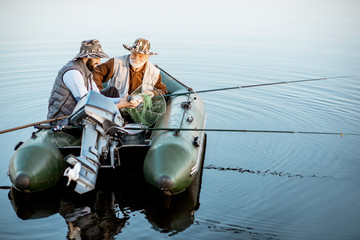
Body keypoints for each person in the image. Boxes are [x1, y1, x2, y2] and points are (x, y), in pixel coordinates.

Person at [47, 39, 136, 126]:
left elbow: (100, 98)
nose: (99, 62)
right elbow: (86, 104)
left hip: (78, 115)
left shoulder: (87, 71)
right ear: (86, 57)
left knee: (112, 91)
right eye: (96, 58)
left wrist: (122, 100)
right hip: (62, 120)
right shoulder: (73, 72)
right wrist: (121, 105)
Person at [93, 38, 167, 103]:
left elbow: (164, 91)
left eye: (141, 56)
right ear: (130, 51)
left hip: (138, 109)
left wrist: (153, 93)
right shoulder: (116, 62)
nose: (136, 59)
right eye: (134, 54)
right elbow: (97, 72)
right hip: (116, 105)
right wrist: (99, 91)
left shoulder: (154, 72)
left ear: (148, 57)